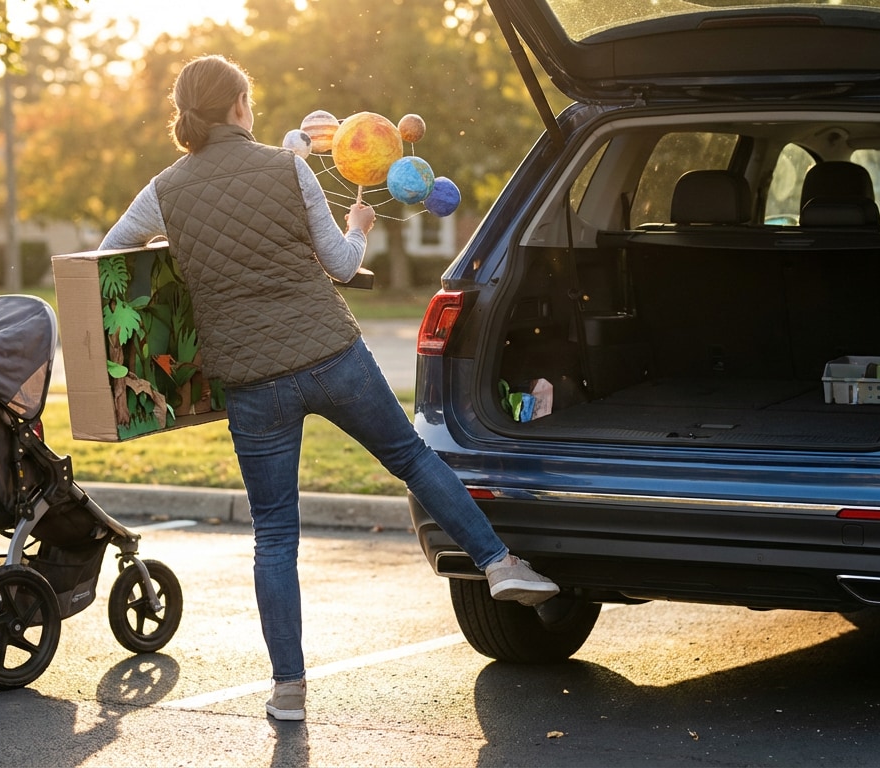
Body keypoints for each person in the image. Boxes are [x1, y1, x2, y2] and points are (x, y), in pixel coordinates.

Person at [98, 54, 559, 722]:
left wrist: (187, 251)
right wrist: (358, 229)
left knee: (273, 535)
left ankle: (288, 689)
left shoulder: (163, 190)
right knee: (410, 459)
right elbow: (341, 267)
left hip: (251, 381)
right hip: (331, 356)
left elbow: (111, 254)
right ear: (239, 107)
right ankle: (497, 563)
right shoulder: (288, 169)